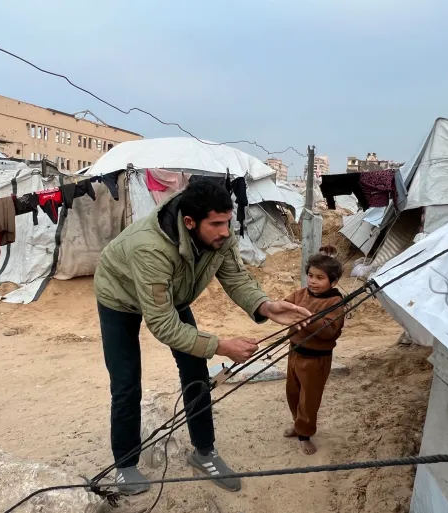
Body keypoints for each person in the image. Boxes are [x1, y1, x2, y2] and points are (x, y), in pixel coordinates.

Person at [94, 180, 311, 494]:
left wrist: (265, 305)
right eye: (217, 224)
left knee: (195, 371)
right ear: (189, 222)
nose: (225, 231)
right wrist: (220, 346)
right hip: (119, 296)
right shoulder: (150, 248)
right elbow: (163, 324)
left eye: (228, 222)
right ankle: (126, 465)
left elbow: (236, 277)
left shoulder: (221, 236)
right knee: (126, 382)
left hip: (173, 294)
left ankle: (204, 452)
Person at [282, 246, 345, 455]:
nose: (313, 281)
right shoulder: (301, 294)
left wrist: (305, 318)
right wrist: (281, 308)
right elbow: (285, 305)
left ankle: (305, 434)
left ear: (333, 282)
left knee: (308, 398)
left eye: (320, 278)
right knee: (292, 393)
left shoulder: (334, 302)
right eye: (310, 275)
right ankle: (298, 424)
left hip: (315, 360)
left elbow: (329, 331)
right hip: (294, 352)